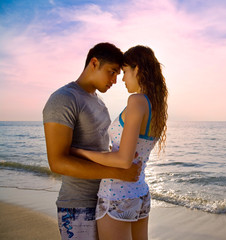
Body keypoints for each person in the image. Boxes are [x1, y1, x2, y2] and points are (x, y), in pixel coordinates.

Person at [43, 42, 141, 240]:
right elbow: (57, 162)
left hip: (105, 202)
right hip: (78, 207)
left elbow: (99, 149)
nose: (115, 80)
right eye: (112, 72)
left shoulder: (98, 102)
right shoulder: (64, 99)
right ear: (94, 63)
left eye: (118, 74)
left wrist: (121, 156)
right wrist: (117, 172)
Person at [71, 45, 168, 240]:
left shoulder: (137, 101)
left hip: (116, 195)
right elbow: (135, 152)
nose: (122, 79)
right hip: (139, 194)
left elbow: (124, 160)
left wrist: (80, 152)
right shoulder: (156, 107)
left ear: (137, 69)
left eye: (124, 72)